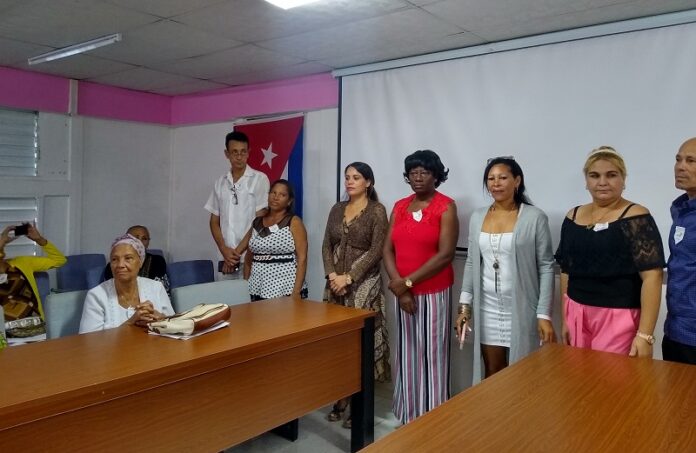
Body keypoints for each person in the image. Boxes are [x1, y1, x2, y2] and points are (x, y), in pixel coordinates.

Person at [555, 146, 664, 357]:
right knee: (579, 380)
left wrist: (645, 335)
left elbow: (653, 276)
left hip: (618, 317)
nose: (602, 182)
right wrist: (566, 319)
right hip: (577, 312)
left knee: (613, 383)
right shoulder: (573, 216)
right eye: (594, 176)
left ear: (623, 179)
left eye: (611, 175)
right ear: (586, 181)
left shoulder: (636, 216)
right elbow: (566, 270)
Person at [457, 157, 555, 382]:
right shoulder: (477, 216)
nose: (496, 183)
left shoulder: (534, 217)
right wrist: (464, 307)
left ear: (517, 181)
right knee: (493, 372)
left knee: (523, 374)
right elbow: (472, 262)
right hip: (487, 308)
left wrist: (543, 314)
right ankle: (493, 417)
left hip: (522, 307)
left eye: (503, 177)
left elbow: (547, 266)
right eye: (491, 179)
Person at [383, 150, 458, 425]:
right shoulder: (400, 206)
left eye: (424, 172)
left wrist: (408, 282)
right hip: (403, 294)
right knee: (407, 354)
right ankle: (408, 415)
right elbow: (387, 249)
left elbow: (445, 254)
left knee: (433, 355)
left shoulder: (446, 206)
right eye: (413, 172)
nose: (418, 177)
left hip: (433, 292)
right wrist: (401, 288)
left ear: (436, 175)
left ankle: (434, 419)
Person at [322, 162, 391, 429]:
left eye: (356, 177)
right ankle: (341, 397)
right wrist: (332, 276)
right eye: (347, 177)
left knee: (360, 345)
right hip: (334, 286)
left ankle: (359, 403)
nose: (350, 182)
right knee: (338, 345)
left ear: (369, 182)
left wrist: (349, 277)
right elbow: (327, 244)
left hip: (363, 285)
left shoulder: (377, 211)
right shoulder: (337, 209)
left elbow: (376, 250)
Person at [205, 131, 270, 278]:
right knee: (225, 300)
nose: (239, 157)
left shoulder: (259, 179)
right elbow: (214, 221)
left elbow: (259, 221)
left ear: (249, 153)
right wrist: (224, 250)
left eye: (243, 152)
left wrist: (236, 254)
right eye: (234, 152)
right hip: (225, 257)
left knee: (249, 300)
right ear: (226, 154)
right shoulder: (220, 182)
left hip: (250, 257)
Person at [79, 234, 174, 333]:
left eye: (128, 258)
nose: (120, 265)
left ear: (140, 262)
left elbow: (175, 325)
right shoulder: (96, 296)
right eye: (114, 259)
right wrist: (130, 323)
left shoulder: (156, 288)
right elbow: (88, 341)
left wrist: (161, 319)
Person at [235, 179, 307, 300]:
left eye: (282, 195)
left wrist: (296, 292)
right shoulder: (257, 222)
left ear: (289, 201)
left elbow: (302, 258)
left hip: (285, 287)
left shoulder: (294, 222)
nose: (276, 197)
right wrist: (246, 283)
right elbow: (248, 256)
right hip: (257, 286)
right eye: (273, 193)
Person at [664, 137, 696, 365]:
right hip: (675, 331)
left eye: (691, 160)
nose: (680, 166)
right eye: (678, 159)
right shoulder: (680, 209)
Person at [0, 224, 66, 334]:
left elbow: (59, 260)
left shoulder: (21, 263)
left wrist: (39, 240)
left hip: (35, 329)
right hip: (4, 336)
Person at [103, 225, 169, 293]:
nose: (140, 242)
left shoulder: (157, 261)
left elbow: (161, 290)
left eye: (145, 238)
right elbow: (110, 291)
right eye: (136, 238)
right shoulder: (113, 265)